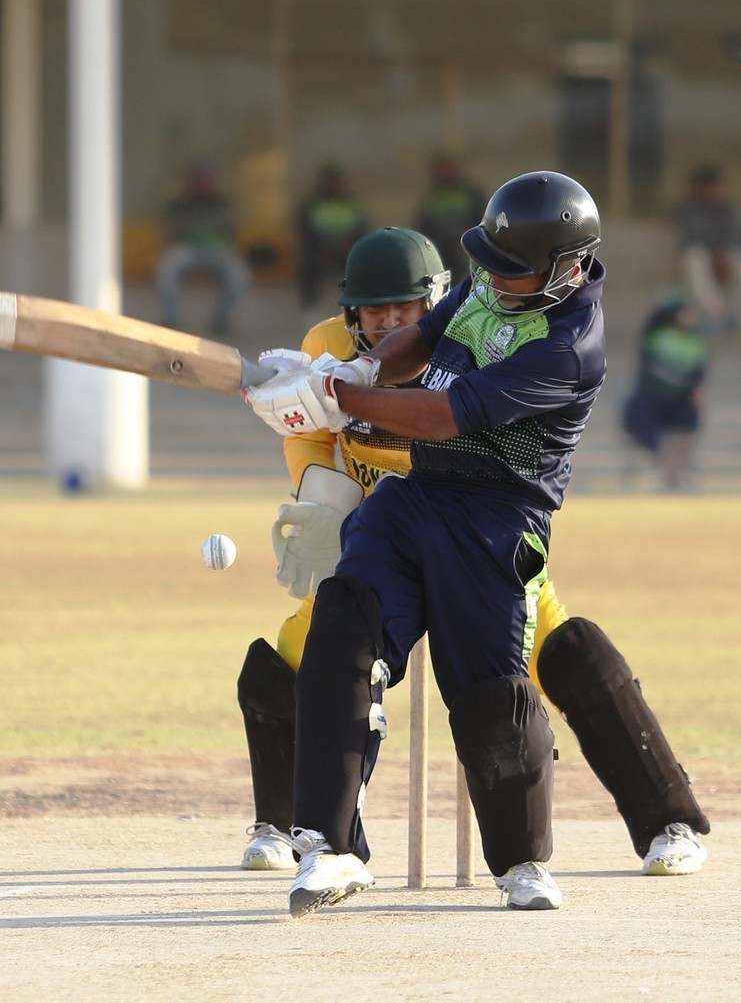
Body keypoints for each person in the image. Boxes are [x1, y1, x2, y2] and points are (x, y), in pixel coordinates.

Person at [246, 172, 710, 918]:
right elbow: (426, 338)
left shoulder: (568, 348)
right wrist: (356, 369)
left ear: (563, 269)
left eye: (509, 267)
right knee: (344, 623)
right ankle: (329, 849)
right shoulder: (493, 278)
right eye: (486, 262)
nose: (490, 278)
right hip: (419, 493)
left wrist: (336, 397)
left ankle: (524, 864)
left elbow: (443, 414)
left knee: (492, 691)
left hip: (496, 518)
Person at [237, 226, 571, 872]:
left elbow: (473, 435)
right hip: (375, 545)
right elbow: (310, 440)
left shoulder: (475, 342)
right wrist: (321, 501)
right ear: (351, 312)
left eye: (406, 307)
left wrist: (344, 403)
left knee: (554, 664)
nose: (390, 321)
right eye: (375, 309)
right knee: (293, 660)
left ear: (436, 303)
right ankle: (289, 827)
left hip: (478, 541)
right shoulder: (327, 347)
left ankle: (662, 817)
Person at [621, 290, 710, 491]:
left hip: (680, 400)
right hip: (652, 399)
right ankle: (666, 470)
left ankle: (673, 474)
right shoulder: (656, 336)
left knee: (688, 423)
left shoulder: (694, 342)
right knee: (641, 419)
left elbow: (699, 376)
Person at [155, 164, 249, 336]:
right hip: (186, 248)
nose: (203, 183)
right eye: (199, 179)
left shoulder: (221, 203)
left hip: (217, 249)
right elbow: (167, 230)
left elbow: (232, 231)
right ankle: (171, 319)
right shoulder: (180, 204)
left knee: (238, 274)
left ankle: (221, 321)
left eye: (206, 179)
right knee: (166, 268)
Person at [674, 164, 741, 332]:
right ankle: (716, 312)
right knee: (693, 260)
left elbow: (735, 235)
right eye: (708, 187)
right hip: (702, 253)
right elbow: (693, 237)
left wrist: (723, 254)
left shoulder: (730, 208)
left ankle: (735, 317)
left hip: (726, 253)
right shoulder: (690, 209)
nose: (712, 191)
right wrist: (714, 256)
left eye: (715, 187)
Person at [295, 164, 368, 312]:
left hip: (347, 251)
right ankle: (310, 307)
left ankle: (359, 305)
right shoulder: (312, 204)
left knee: (363, 267)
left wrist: (351, 248)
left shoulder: (350, 203)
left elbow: (360, 228)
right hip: (320, 251)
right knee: (308, 267)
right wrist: (319, 251)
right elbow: (306, 231)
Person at [415, 154, 485, 280]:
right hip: (442, 255)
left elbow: (482, 220)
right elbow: (424, 229)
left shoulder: (470, 194)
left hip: (468, 250)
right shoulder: (432, 199)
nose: (445, 174)